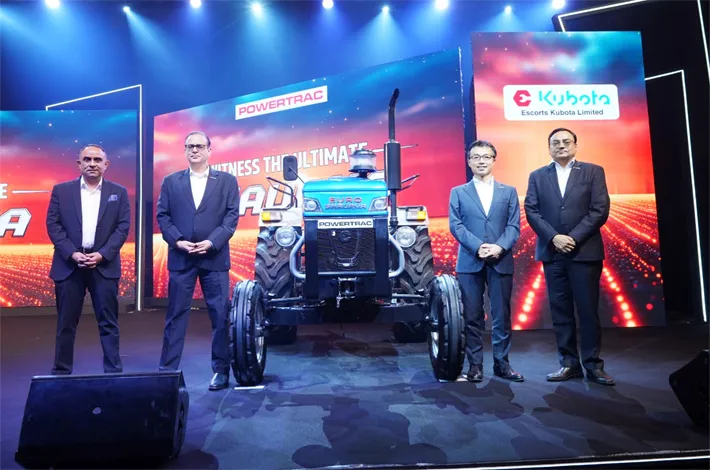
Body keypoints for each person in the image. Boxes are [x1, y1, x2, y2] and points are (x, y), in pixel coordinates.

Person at [524, 128, 615, 385]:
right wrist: (554, 237)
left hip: (584, 252)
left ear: (576, 145)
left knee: (588, 311)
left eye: (566, 141)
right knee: (560, 311)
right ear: (549, 148)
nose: (561, 145)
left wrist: (572, 238)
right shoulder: (537, 176)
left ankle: (593, 365)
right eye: (556, 142)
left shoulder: (593, 171)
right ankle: (569, 364)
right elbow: (532, 211)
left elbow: (599, 210)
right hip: (552, 253)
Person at [156, 131, 240, 391]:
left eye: (199, 146)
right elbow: (163, 216)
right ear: (184, 150)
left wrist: (212, 242)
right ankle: (167, 372)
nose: (194, 150)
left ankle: (221, 371)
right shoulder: (171, 181)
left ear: (209, 150)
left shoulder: (226, 181)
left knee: (220, 316)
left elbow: (231, 217)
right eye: (190, 146)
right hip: (181, 257)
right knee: (175, 316)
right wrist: (178, 241)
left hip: (214, 258)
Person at [46, 144, 130, 375]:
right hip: (69, 265)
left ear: (106, 164)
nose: (92, 164)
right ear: (79, 163)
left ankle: (113, 371)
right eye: (87, 159)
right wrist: (72, 253)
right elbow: (53, 225)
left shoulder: (119, 192)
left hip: (103, 265)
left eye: (97, 160)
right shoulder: (61, 191)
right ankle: (61, 371)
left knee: (108, 322)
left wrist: (102, 255)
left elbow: (122, 228)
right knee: (66, 323)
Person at [449, 140, 523, 383]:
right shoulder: (458, 192)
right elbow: (456, 225)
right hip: (470, 261)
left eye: (486, 156)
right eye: (476, 157)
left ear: (493, 160)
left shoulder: (508, 191)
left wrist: (499, 247)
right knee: (472, 316)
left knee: (501, 315)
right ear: (469, 161)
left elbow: (513, 226)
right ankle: (475, 366)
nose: (481, 161)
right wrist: (478, 246)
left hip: (501, 259)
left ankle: (502, 364)